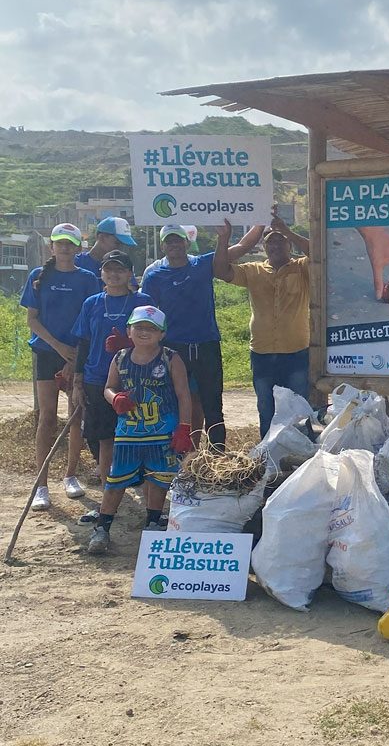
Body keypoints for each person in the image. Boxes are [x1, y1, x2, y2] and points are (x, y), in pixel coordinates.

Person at [88, 306, 192, 553]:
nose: (145, 332)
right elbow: (108, 387)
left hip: (162, 429)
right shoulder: (120, 357)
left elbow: (183, 393)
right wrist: (115, 399)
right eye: (139, 327)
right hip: (129, 432)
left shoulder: (170, 358)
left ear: (162, 333)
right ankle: (102, 528)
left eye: (152, 328)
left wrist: (184, 427)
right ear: (129, 330)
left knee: (159, 477)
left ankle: (153, 522)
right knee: (116, 480)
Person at [20, 224, 101, 511]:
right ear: (51, 247)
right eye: (60, 243)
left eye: (70, 244)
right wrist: (59, 348)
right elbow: (33, 320)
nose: (65, 248)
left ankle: (70, 475)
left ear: (78, 248)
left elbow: (91, 321)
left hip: (77, 355)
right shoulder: (39, 277)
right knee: (47, 418)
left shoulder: (88, 279)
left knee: (75, 415)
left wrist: (74, 356)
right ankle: (41, 484)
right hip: (47, 352)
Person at [213, 211, 311, 437]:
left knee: (299, 408)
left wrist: (286, 229)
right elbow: (219, 269)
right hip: (262, 353)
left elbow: (321, 253)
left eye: (280, 240)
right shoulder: (253, 270)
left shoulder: (303, 267)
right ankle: (269, 457)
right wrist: (223, 238)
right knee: (266, 408)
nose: (275, 244)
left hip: (296, 352)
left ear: (289, 245)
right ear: (264, 247)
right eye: (270, 241)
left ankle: (303, 457)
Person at [140, 224, 234, 449]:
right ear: (163, 245)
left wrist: (229, 235)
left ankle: (216, 458)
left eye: (178, 240)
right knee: (173, 402)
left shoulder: (202, 265)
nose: (174, 244)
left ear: (186, 242)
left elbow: (239, 249)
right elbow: (146, 314)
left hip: (206, 344)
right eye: (169, 241)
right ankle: (174, 454)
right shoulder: (154, 276)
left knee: (212, 404)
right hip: (173, 348)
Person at [71, 250, 154, 495]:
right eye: (109, 269)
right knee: (101, 434)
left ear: (130, 273)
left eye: (120, 269)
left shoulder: (142, 301)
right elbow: (84, 341)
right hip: (97, 377)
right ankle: (110, 485)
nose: (114, 274)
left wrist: (129, 344)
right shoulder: (92, 302)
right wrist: (78, 378)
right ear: (101, 274)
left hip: (136, 376)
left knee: (138, 431)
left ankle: (140, 478)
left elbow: (157, 336)